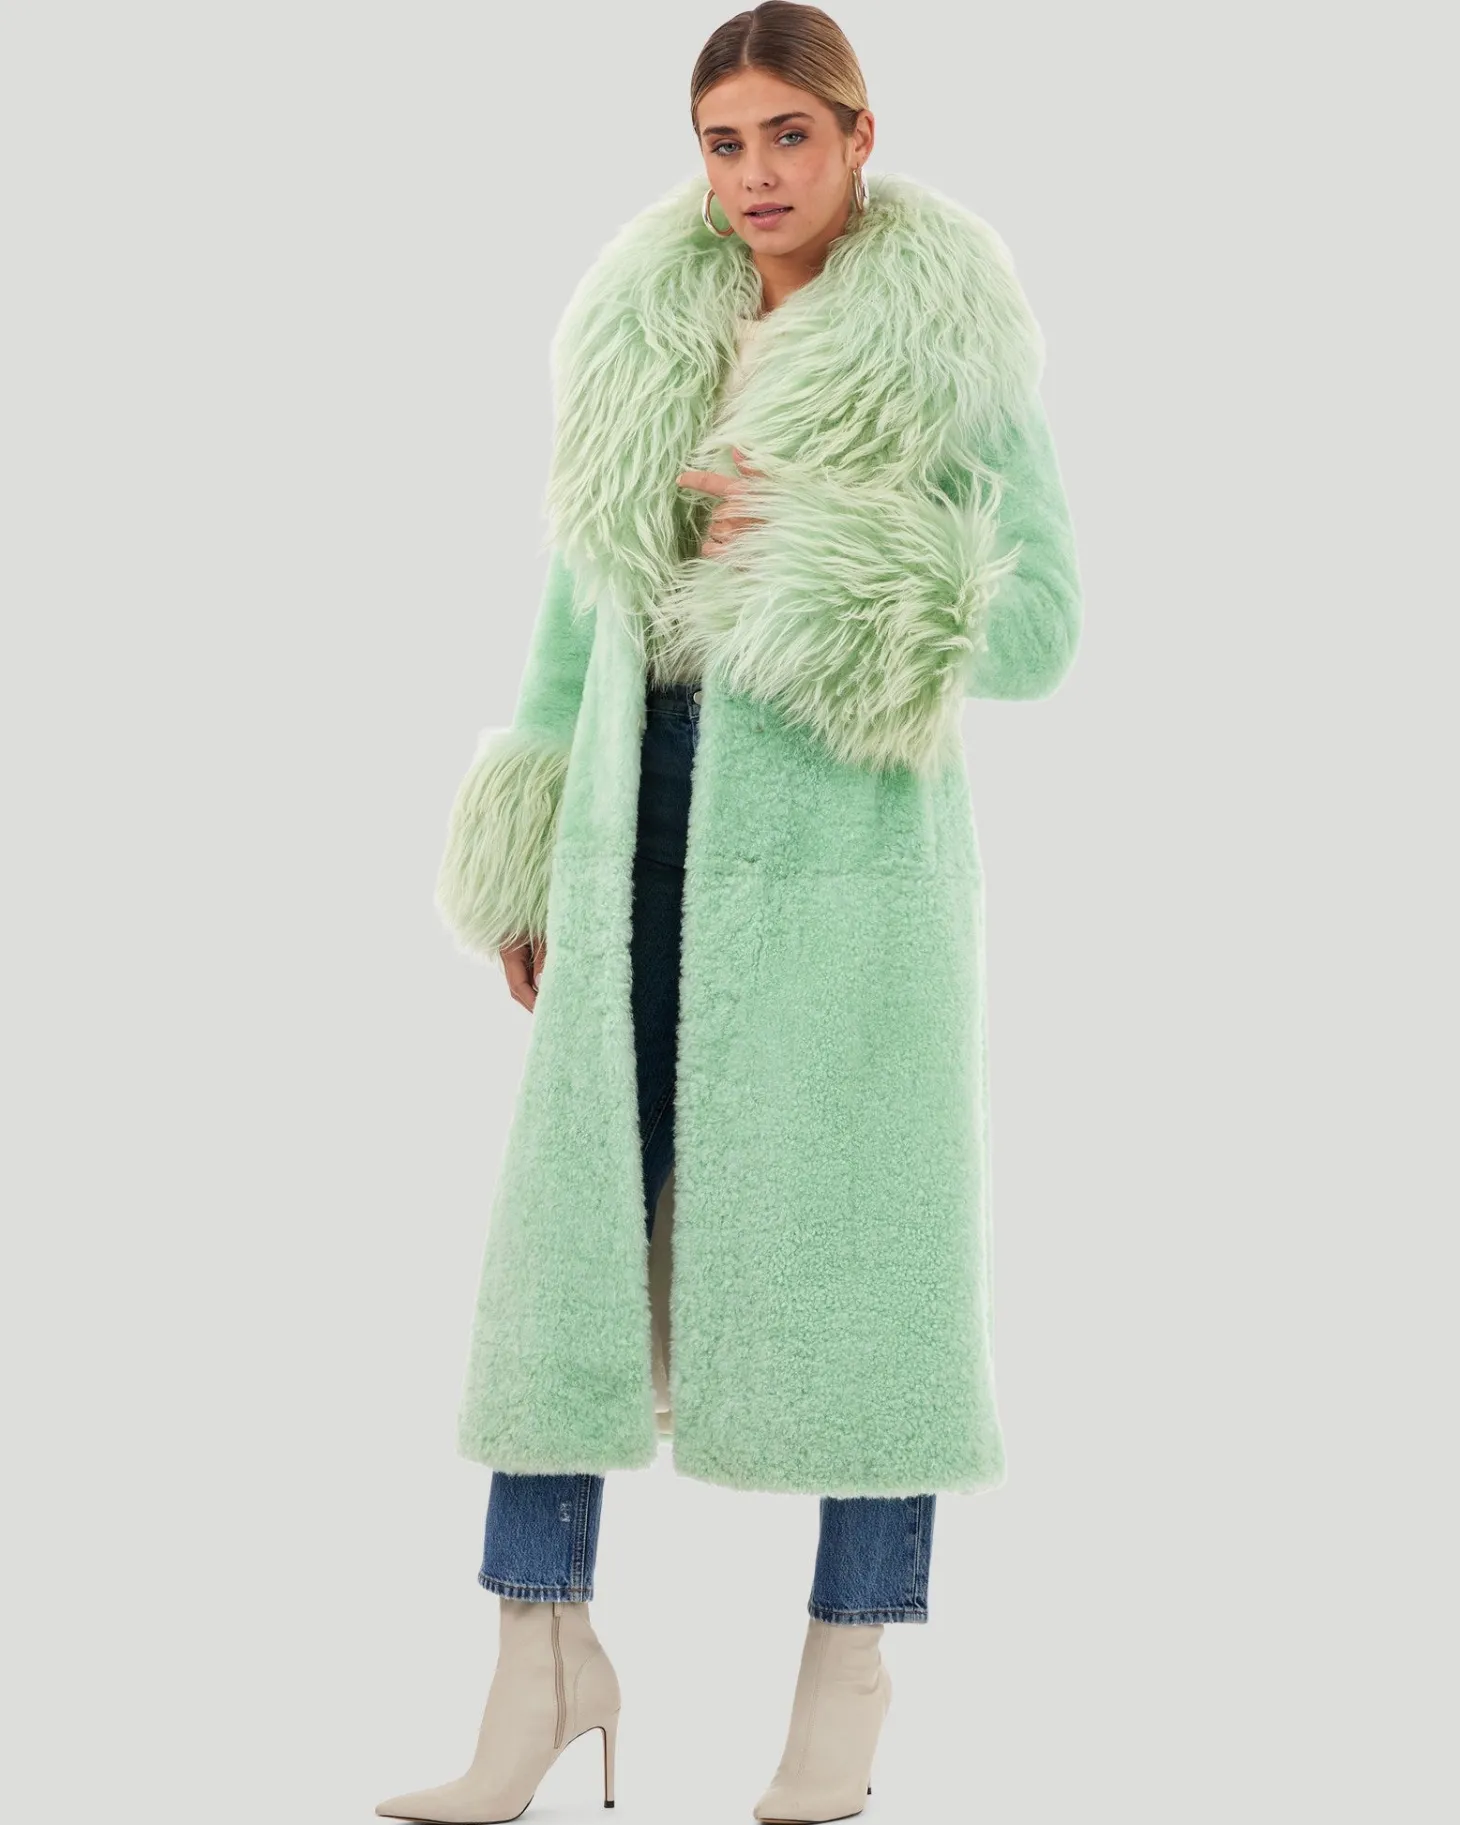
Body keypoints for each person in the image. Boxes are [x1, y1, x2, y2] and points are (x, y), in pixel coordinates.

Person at [377, 4, 1083, 1821]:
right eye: (723, 141)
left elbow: (1037, 632)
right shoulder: (643, 328)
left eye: (787, 136)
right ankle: (539, 1660)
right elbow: (571, 623)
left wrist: (820, 535)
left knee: (869, 1267)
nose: (755, 176)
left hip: (849, 868)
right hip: (636, 824)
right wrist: (527, 845)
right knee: (570, 1253)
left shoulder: (945, 343)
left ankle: (850, 1674)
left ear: (859, 136)